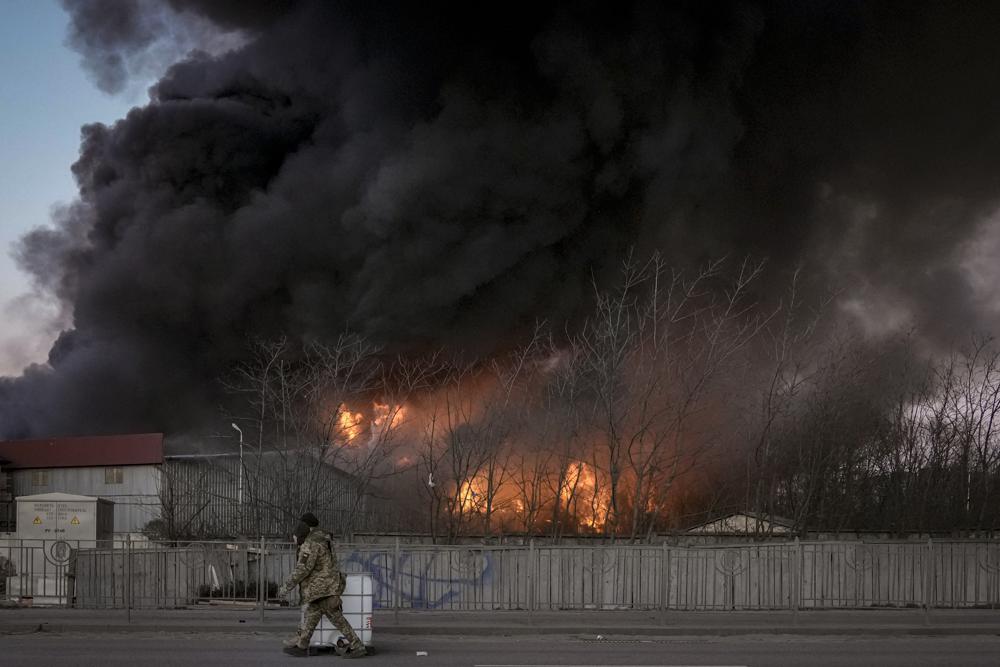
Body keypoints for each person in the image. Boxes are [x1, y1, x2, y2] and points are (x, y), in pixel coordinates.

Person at [278, 512, 365, 658]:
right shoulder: (325, 539)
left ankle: (357, 645)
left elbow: (302, 569)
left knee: (336, 617)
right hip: (329, 584)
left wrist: (285, 588)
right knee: (312, 613)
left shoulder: (310, 543)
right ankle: (302, 644)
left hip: (321, 587)